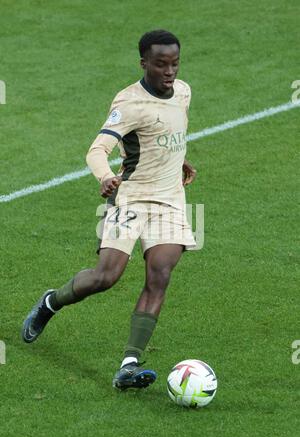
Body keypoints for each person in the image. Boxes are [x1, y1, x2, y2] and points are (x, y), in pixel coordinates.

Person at [22, 30, 197, 390]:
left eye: (174, 63)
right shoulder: (129, 102)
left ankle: (129, 364)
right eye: (161, 64)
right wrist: (104, 177)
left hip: (170, 200)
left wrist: (179, 159)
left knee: (160, 274)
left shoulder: (184, 92)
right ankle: (50, 303)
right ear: (143, 63)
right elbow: (97, 150)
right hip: (129, 197)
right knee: (106, 276)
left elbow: (164, 135)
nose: (169, 71)